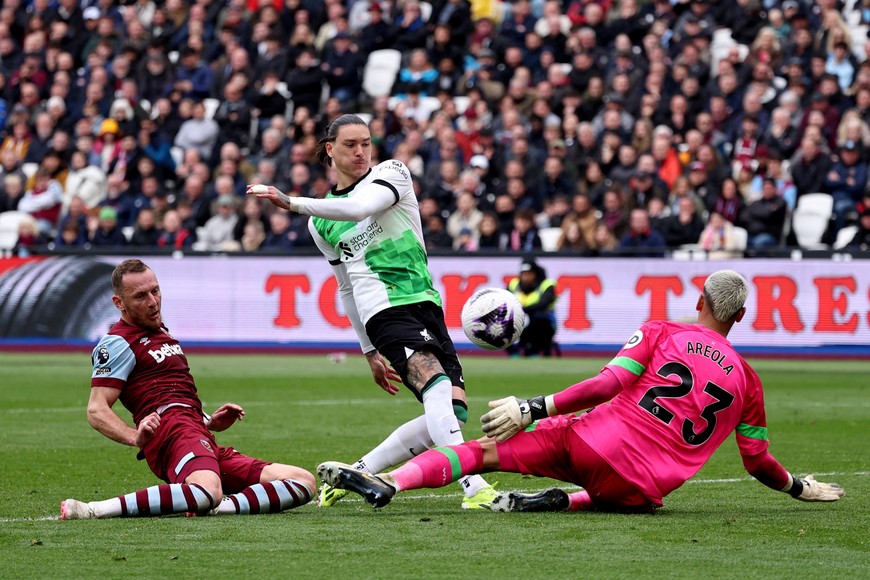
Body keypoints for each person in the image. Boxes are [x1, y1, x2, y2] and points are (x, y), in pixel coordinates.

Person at [315, 270, 845, 513]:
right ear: (743, 315)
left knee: (483, 452)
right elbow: (757, 462)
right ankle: (563, 504)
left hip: (592, 441)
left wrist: (534, 406)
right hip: (641, 488)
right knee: (633, 500)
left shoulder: (663, 331)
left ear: (700, 297)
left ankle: (388, 481)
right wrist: (798, 488)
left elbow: (610, 383)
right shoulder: (748, 381)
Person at [248, 114, 499, 510]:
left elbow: (360, 207)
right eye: (350, 144)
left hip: (425, 302)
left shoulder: (392, 173)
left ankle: (357, 471)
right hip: (381, 310)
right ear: (330, 150)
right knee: (433, 385)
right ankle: (475, 487)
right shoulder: (320, 223)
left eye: (366, 142)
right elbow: (346, 286)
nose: (361, 151)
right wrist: (368, 350)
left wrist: (291, 202)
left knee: (453, 411)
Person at [60, 259, 315, 519]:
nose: (153, 302)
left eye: (155, 291)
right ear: (119, 303)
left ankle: (213, 505)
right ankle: (93, 509)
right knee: (207, 490)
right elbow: (96, 410)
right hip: (171, 433)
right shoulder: (117, 343)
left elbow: (174, 393)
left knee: (302, 481)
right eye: (140, 296)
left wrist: (209, 421)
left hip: (196, 432)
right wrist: (134, 437)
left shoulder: (162, 333)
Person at [506, 259, 558, 358]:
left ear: (535, 274)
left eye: (529, 274)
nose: (526, 277)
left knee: (538, 321)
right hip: (520, 321)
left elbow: (543, 304)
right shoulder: (514, 284)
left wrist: (522, 310)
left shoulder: (547, 284)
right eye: (524, 274)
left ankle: (534, 351)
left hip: (543, 322)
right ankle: (513, 353)